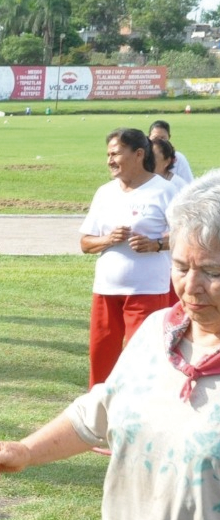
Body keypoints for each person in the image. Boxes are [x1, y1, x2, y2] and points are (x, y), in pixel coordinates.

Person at [0, 175, 220, 520]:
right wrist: (26, 450)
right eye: (180, 265)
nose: (191, 287)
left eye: (212, 270)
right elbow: (100, 410)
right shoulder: (155, 332)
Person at [79, 128, 175, 387]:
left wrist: (155, 244)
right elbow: (85, 243)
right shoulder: (105, 192)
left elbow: (188, 237)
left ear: (139, 154)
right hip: (106, 290)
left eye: (116, 153)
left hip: (147, 290)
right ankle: (97, 413)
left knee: (141, 358)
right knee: (101, 357)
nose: (110, 160)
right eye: (108, 154)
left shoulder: (165, 191)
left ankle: (137, 413)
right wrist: (108, 239)